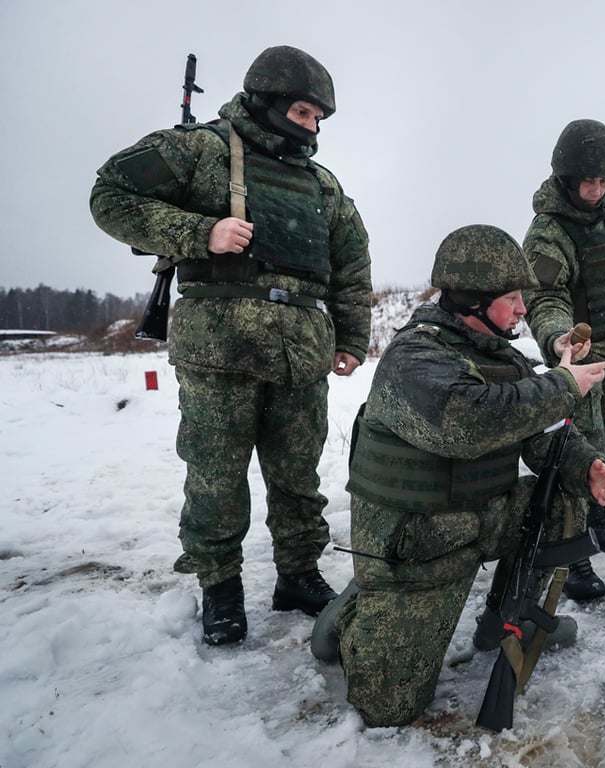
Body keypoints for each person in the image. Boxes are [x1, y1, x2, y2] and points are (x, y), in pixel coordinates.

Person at [89, 46, 373, 646]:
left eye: (319, 117)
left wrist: (350, 336)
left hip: (301, 351)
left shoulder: (322, 184)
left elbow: (350, 264)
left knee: (298, 474)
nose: (312, 127)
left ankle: (298, 574)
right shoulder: (202, 149)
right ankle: (219, 585)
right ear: (268, 101)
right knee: (216, 475)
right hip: (220, 349)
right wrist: (200, 232)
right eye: (302, 111)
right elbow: (110, 195)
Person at [323, 225, 605, 727]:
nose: (523, 309)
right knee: (387, 709)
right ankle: (358, 612)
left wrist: (587, 466)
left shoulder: (502, 356)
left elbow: (541, 431)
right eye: (511, 298)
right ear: (471, 301)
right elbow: (467, 423)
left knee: (559, 496)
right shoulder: (415, 357)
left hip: (484, 515)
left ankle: (504, 622)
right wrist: (561, 386)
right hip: (418, 543)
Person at [521, 119, 605, 600]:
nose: (596, 191)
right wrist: (561, 340)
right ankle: (571, 552)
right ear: (566, 179)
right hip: (579, 357)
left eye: (604, 182)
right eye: (588, 182)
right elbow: (544, 297)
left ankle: (599, 519)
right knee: (579, 451)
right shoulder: (549, 232)